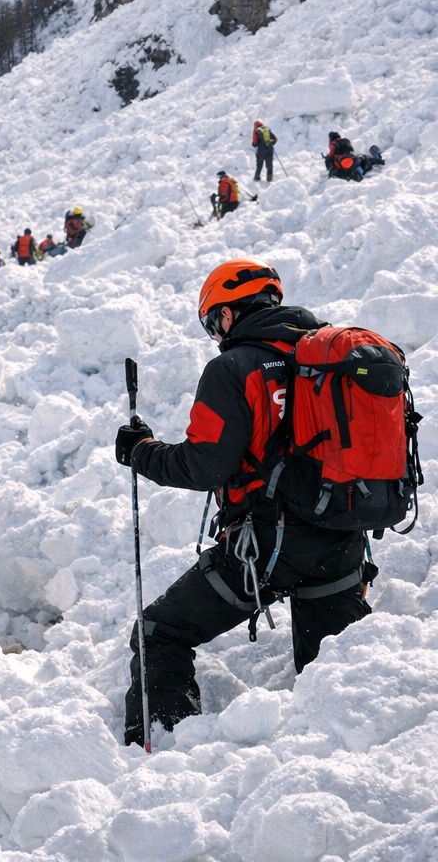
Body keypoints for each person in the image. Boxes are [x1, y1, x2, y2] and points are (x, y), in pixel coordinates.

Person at [114, 258, 372, 747]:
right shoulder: (330, 356)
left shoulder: (234, 367)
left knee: (159, 631)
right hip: (342, 537)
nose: (215, 335)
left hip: (266, 550)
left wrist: (141, 452)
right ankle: (351, 751)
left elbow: (202, 466)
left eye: (213, 323)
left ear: (229, 314)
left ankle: (161, 744)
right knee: (333, 676)